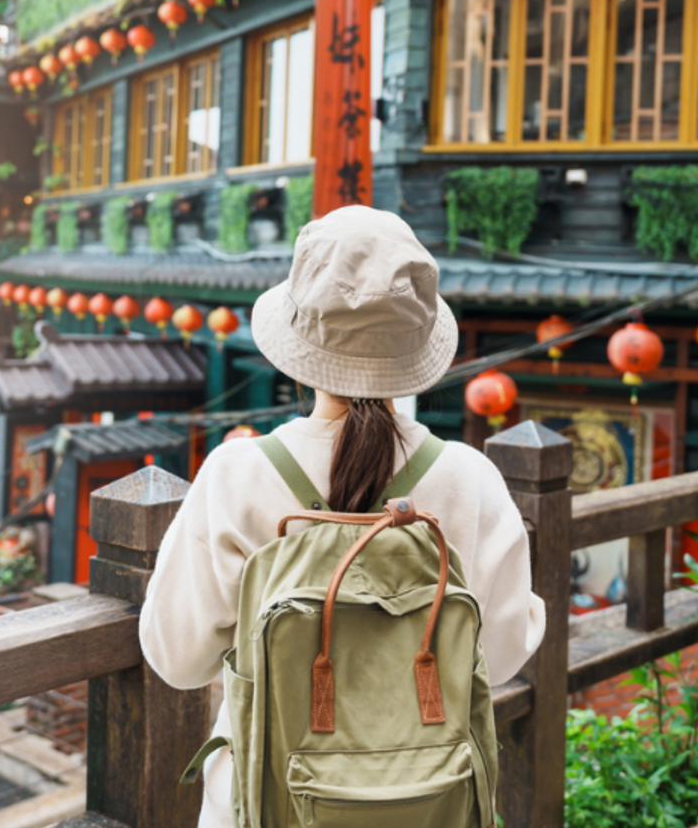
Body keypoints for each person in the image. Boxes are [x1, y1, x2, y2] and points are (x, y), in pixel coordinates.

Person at [138, 205, 546, 828]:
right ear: (417, 340)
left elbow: (178, 658)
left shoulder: (237, 473)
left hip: (264, 804)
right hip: (429, 804)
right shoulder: (470, 478)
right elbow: (503, 651)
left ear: (300, 343)